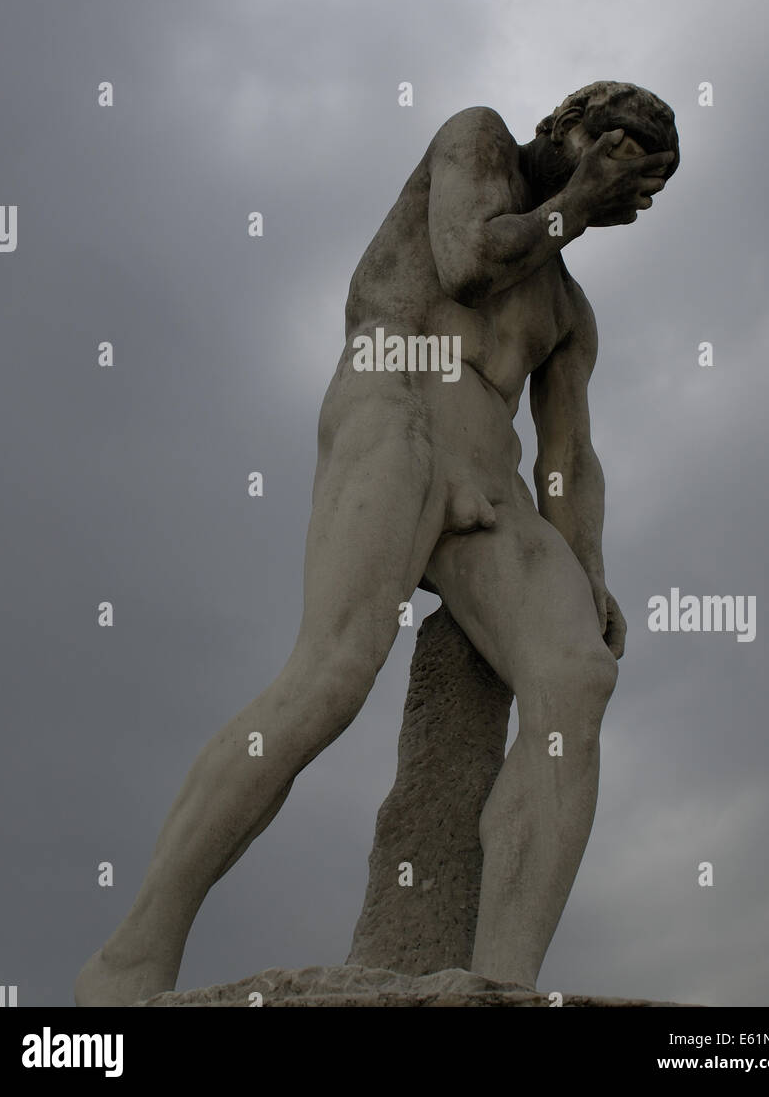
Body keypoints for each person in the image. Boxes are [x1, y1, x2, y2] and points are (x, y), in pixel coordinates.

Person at [76, 80, 679, 1004]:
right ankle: (134, 951)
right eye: (615, 149)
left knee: (577, 679)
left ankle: (503, 981)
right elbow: (471, 260)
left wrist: (588, 568)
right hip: (394, 409)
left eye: (643, 179)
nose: (622, 182)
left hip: (493, 479)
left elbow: (569, 455)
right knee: (330, 677)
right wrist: (573, 204)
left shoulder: (569, 314)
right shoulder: (477, 142)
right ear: (563, 129)